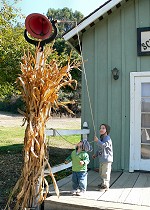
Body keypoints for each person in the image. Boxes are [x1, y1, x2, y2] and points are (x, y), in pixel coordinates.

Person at [92, 124, 113, 191]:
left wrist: (97, 141)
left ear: (107, 130)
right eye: (100, 128)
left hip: (107, 159)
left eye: (103, 128)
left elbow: (104, 146)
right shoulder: (102, 138)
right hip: (102, 159)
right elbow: (100, 149)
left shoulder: (107, 138)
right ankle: (103, 183)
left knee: (105, 172)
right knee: (101, 172)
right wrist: (96, 154)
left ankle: (106, 185)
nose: (101, 129)